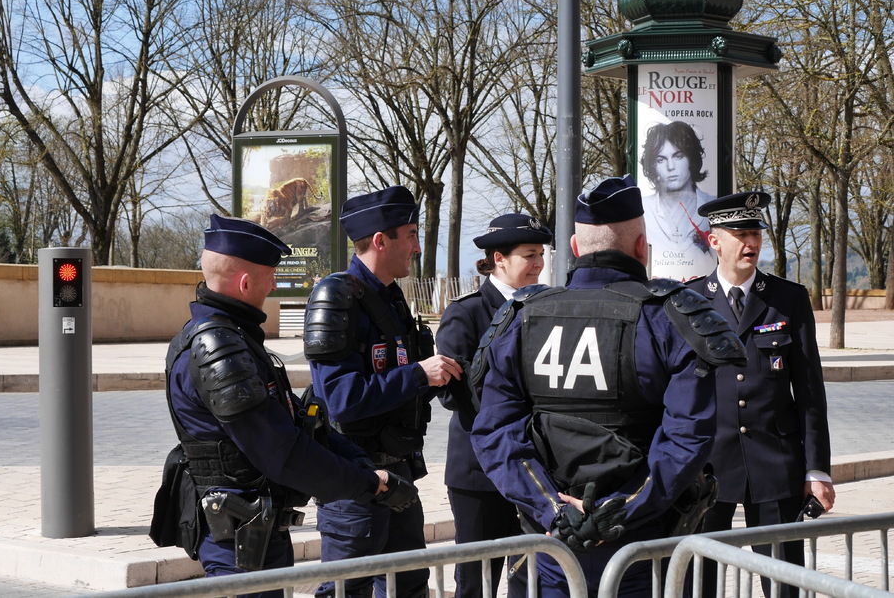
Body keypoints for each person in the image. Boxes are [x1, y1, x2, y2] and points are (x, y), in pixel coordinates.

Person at [470, 175, 745, 597]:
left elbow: (494, 432)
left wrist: (554, 510)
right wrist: (619, 510)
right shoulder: (668, 320)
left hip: (554, 545)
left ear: (576, 249)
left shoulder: (522, 318)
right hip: (643, 545)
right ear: (641, 248)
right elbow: (687, 438)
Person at [157, 215, 417, 596]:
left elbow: (298, 421)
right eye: (269, 277)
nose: (273, 285)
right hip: (238, 542)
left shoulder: (233, 340)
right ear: (245, 282)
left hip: (255, 534)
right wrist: (364, 484)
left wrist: (359, 464)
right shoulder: (220, 349)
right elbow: (282, 451)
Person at [303, 185, 463, 598]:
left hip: (399, 472)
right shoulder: (337, 298)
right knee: (347, 590)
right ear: (379, 240)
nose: (416, 246)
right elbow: (341, 399)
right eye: (410, 235)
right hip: (355, 478)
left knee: (410, 583)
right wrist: (417, 376)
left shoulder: (392, 300)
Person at [688, 192, 834, 598]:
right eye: (740, 233)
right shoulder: (689, 301)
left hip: (774, 463)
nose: (750, 242)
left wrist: (817, 469)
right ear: (714, 239)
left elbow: (809, 390)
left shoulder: (788, 298)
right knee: (698, 579)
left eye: (755, 232)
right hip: (707, 465)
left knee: (784, 582)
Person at [436, 213, 553, 598]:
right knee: (477, 581)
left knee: (534, 576)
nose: (538, 263)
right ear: (499, 258)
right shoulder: (466, 311)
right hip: (480, 472)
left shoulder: (547, 305)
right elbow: (452, 393)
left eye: (541, 254)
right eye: (529, 255)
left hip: (536, 468)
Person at [639, 121, 717, 275]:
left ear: (691, 159)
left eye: (678, 156)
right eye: (661, 160)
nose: (670, 167)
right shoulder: (642, 209)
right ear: (653, 165)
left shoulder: (713, 205)